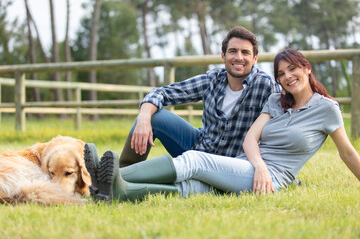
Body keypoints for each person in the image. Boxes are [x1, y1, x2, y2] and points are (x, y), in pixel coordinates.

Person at [84, 48, 360, 202]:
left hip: (272, 179)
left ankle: (112, 177)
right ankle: (118, 191)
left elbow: (347, 152)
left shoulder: (326, 109)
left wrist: (266, 172)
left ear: (307, 68)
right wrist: (260, 166)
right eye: (281, 73)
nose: (287, 77)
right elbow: (250, 139)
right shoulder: (277, 101)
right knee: (193, 186)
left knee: (195, 161)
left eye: (293, 69)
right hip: (249, 166)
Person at [119, 26, 280, 168]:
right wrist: (143, 117)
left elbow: (285, 122)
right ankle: (120, 174)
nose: (239, 57)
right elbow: (162, 93)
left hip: (233, 164)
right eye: (233, 51)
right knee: (154, 117)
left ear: (255, 59)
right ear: (223, 56)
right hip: (198, 150)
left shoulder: (266, 86)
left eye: (245, 52)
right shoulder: (212, 80)